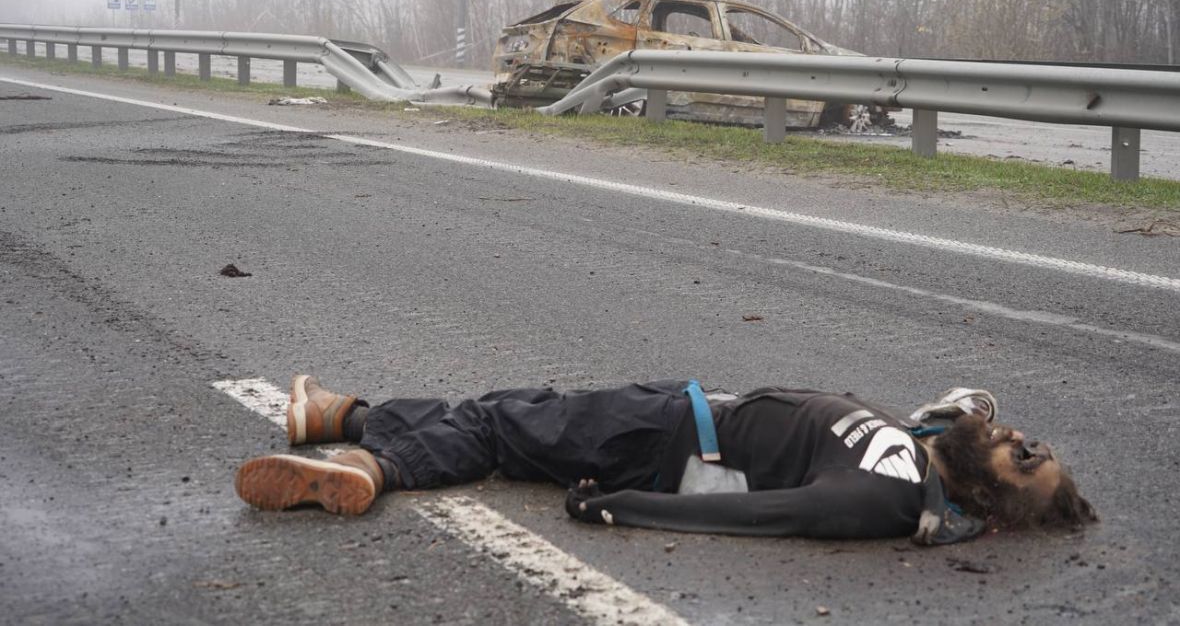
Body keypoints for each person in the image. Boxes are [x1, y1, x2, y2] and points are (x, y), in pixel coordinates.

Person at [234, 376, 1097, 545]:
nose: (1024, 442)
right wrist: (975, 422)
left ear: (992, 501)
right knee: (511, 412)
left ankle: (370, 466)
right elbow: (966, 406)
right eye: (1037, 444)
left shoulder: (885, 498)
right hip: (673, 418)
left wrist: (618, 508)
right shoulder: (928, 449)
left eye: (1029, 464)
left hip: (661, 438)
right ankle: (337, 413)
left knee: (499, 424)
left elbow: (763, 514)